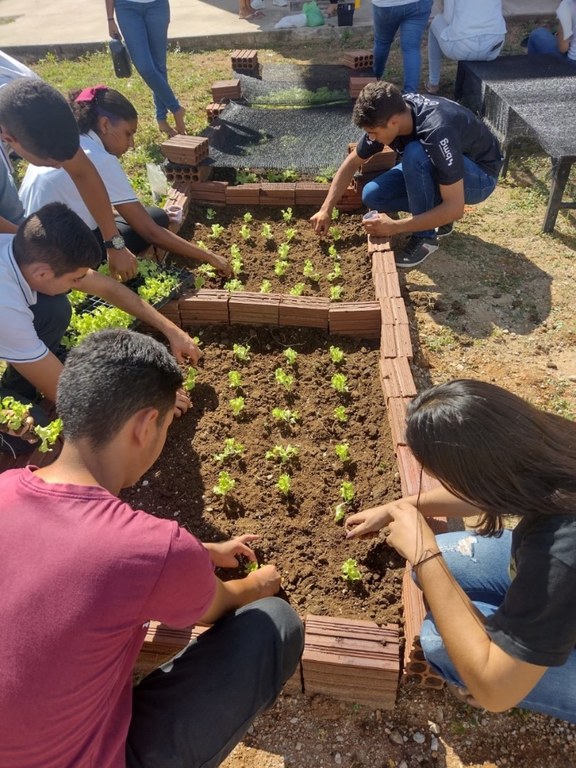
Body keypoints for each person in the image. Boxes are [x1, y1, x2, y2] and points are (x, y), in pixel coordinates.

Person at [0, 327, 304, 767]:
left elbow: (72, 550)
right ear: (145, 425)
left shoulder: (8, 486)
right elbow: (219, 604)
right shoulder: (151, 547)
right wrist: (261, 583)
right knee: (273, 625)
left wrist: (196, 551)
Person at [345, 379, 576, 724]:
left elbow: (497, 696)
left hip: (562, 592)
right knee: (452, 560)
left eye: (444, 478)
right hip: (562, 597)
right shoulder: (554, 446)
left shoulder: (559, 553)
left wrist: (424, 552)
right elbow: (489, 488)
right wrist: (400, 506)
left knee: (440, 640)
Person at [0, 202, 201, 454]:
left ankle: (20, 382)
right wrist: (147, 403)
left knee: (54, 307)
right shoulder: (5, 304)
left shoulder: (17, 251)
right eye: (74, 279)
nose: (78, 284)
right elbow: (65, 392)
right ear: (42, 273)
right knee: (31, 432)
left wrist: (172, 331)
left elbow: (107, 287)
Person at [19, 85, 230, 276]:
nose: (132, 144)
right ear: (104, 125)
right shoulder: (99, 158)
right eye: (128, 133)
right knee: (152, 222)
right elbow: (150, 232)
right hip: (61, 255)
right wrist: (210, 257)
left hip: (33, 240)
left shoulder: (71, 143)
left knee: (155, 214)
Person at [310, 81, 502, 268]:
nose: (371, 138)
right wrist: (326, 209)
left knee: (415, 153)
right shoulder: (390, 113)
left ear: (394, 122)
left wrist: (396, 226)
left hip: (481, 175)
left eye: (373, 133)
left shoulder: (436, 131)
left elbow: (455, 207)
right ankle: (439, 218)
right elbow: (353, 162)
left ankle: (426, 238)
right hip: (441, 165)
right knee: (373, 194)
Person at [0, 77, 139, 281]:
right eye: (52, 163)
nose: (61, 167)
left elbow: (82, 172)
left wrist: (114, 243)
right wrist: (41, 248)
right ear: (10, 140)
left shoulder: (38, 106)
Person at [106, 0, 186, 137]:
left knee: (159, 67)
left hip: (157, 5)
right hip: (126, 7)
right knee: (145, 67)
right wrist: (110, 18)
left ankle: (161, 119)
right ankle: (176, 108)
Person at [426, 0, 506, 94]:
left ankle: (433, 83)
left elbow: (448, 19)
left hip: (462, 49)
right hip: (493, 49)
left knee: (436, 22)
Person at [371, 0, 433, 94]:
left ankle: (373, 79)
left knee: (382, 42)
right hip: (417, 3)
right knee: (411, 49)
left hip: (385, 5)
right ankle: (410, 95)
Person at [527, 0, 576, 65]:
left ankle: (533, 70)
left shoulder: (567, 4)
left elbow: (563, 49)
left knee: (537, 34)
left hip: (572, 63)